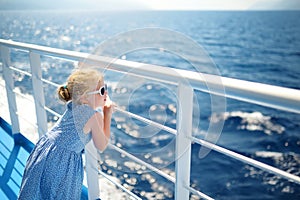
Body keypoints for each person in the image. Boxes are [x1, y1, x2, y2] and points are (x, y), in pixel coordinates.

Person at [18, 68, 114, 199]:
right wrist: (107, 114)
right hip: (61, 161)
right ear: (85, 97)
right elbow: (101, 145)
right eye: (102, 91)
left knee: (39, 192)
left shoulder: (74, 105)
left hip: (45, 150)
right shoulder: (94, 116)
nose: (106, 94)